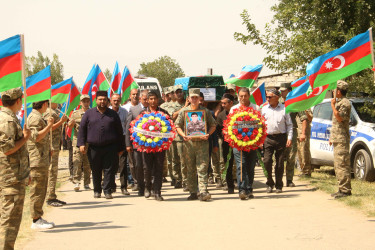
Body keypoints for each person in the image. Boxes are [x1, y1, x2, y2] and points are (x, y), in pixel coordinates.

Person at [78, 91, 125, 199]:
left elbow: (119, 132)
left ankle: (107, 191)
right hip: (94, 148)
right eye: (100, 99)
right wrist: (81, 143)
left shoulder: (113, 114)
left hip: (110, 147)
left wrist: (121, 147)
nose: (102, 101)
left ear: (107, 100)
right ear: (96, 100)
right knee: (96, 169)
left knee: (109, 169)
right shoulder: (89, 114)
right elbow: (82, 129)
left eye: (104, 99)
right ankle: (97, 190)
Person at [0, 88, 30, 249]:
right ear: (18, 101)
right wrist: (25, 138)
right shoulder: (8, 120)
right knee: (9, 221)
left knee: (7, 217)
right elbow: (8, 149)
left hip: (12, 175)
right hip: (10, 178)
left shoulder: (8, 117)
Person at [175, 88, 217, 201]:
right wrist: (183, 135)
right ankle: (193, 191)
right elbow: (177, 125)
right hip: (188, 144)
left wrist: (208, 134)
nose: (194, 99)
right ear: (188, 99)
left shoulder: (205, 112)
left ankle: (203, 191)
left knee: (202, 167)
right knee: (190, 168)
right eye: (192, 97)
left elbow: (213, 125)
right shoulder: (184, 112)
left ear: (199, 99)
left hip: (202, 144)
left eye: (196, 97)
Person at [27, 99, 55, 229]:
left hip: (41, 158)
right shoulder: (35, 118)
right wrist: (49, 126)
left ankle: (38, 217)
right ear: (44, 105)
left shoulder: (38, 117)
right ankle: (35, 219)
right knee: (37, 190)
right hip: (36, 160)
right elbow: (35, 137)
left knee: (41, 189)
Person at [229, 88, 259, 199]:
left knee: (250, 166)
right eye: (241, 96)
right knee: (241, 166)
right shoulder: (234, 109)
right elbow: (229, 126)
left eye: (245, 96)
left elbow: (261, 125)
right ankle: (242, 189)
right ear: (238, 96)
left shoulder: (256, 108)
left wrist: (258, 140)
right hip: (238, 143)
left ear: (249, 96)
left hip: (252, 143)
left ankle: (249, 188)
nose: (243, 98)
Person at [261, 89, 293, 193]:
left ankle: (279, 185)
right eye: (267, 97)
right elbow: (260, 125)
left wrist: (289, 138)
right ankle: (269, 183)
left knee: (279, 163)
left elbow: (289, 125)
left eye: (270, 97)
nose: (268, 99)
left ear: (277, 97)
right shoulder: (264, 109)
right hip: (268, 138)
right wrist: (260, 140)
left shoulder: (284, 109)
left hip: (281, 138)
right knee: (267, 161)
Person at [141, 91, 169, 201]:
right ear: (147, 100)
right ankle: (147, 187)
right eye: (150, 99)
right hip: (147, 146)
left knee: (159, 168)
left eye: (154, 99)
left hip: (160, 146)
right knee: (147, 168)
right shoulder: (143, 113)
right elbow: (136, 129)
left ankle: (157, 192)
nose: (153, 101)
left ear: (158, 100)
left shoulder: (164, 113)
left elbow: (169, 128)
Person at [329, 80, 352, 199]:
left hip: (342, 138)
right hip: (337, 138)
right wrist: (331, 137)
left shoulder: (345, 103)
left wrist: (333, 106)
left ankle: (345, 190)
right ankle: (341, 188)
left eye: (334, 89)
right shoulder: (339, 102)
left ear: (339, 91)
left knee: (342, 164)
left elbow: (339, 117)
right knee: (338, 165)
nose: (333, 91)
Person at [43, 103, 68, 207]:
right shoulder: (48, 112)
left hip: (56, 144)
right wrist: (61, 121)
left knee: (54, 170)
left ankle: (52, 195)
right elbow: (49, 128)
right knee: (51, 170)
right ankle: (50, 197)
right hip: (50, 145)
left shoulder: (56, 111)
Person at [125, 89, 149, 196]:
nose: (147, 100)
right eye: (145, 99)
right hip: (137, 145)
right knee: (138, 166)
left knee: (148, 166)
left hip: (151, 144)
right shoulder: (133, 110)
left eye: (148, 99)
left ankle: (148, 186)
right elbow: (128, 128)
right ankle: (140, 186)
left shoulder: (152, 110)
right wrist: (128, 144)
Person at [68, 95, 92, 192]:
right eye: (84, 101)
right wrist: (71, 124)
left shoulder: (92, 112)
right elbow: (69, 127)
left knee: (88, 163)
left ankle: (86, 183)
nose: (85, 103)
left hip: (89, 142)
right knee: (77, 162)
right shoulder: (75, 114)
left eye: (87, 101)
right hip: (78, 141)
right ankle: (77, 181)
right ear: (80, 103)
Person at [167, 85, 189, 190]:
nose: (179, 94)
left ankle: (185, 181)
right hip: (175, 136)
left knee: (184, 160)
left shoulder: (189, 103)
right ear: (174, 94)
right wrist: (185, 107)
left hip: (186, 135)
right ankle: (177, 179)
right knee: (175, 159)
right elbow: (173, 115)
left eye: (181, 92)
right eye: (177, 92)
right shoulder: (172, 105)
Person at [110, 93, 130, 195]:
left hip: (122, 139)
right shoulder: (107, 111)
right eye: (114, 100)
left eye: (118, 100)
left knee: (123, 165)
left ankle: (123, 187)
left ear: (120, 101)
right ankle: (112, 186)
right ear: (110, 100)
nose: (116, 102)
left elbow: (128, 127)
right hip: (110, 140)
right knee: (111, 165)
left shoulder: (124, 112)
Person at [122, 88, 140, 191]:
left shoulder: (143, 107)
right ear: (130, 95)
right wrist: (128, 143)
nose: (135, 96)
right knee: (132, 164)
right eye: (133, 94)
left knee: (142, 164)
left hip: (145, 141)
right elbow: (127, 127)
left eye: (137, 94)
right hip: (133, 141)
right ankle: (135, 182)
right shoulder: (126, 108)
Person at [216, 93, 235, 193]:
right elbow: (219, 131)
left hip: (239, 143)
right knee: (228, 164)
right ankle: (230, 185)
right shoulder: (221, 115)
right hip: (226, 143)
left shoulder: (237, 112)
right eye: (221, 103)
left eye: (224, 103)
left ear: (231, 103)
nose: (222, 105)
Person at [280, 83, 297, 187]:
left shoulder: (295, 103)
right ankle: (279, 179)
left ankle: (289, 179)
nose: (282, 93)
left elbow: (303, 117)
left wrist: (303, 132)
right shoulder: (278, 103)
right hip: (280, 132)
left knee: (291, 157)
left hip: (292, 132)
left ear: (289, 91)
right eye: (281, 91)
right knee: (279, 157)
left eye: (284, 91)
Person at [160, 87, 173, 184]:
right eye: (168, 94)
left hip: (173, 133)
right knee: (165, 157)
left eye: (171, 94)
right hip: (164, 135)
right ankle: (164, 174)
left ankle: (173, 176)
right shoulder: (162, 107)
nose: (169, 96)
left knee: (173, 158)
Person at [296, 110, 313, 177]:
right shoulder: (297, 108)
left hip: (303, 133)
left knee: (304, 152)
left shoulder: (305, 107)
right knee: (299, 153)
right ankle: (303, 170)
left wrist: (306, 112)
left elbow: (310, 118)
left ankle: (307, 171)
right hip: (298, 132)